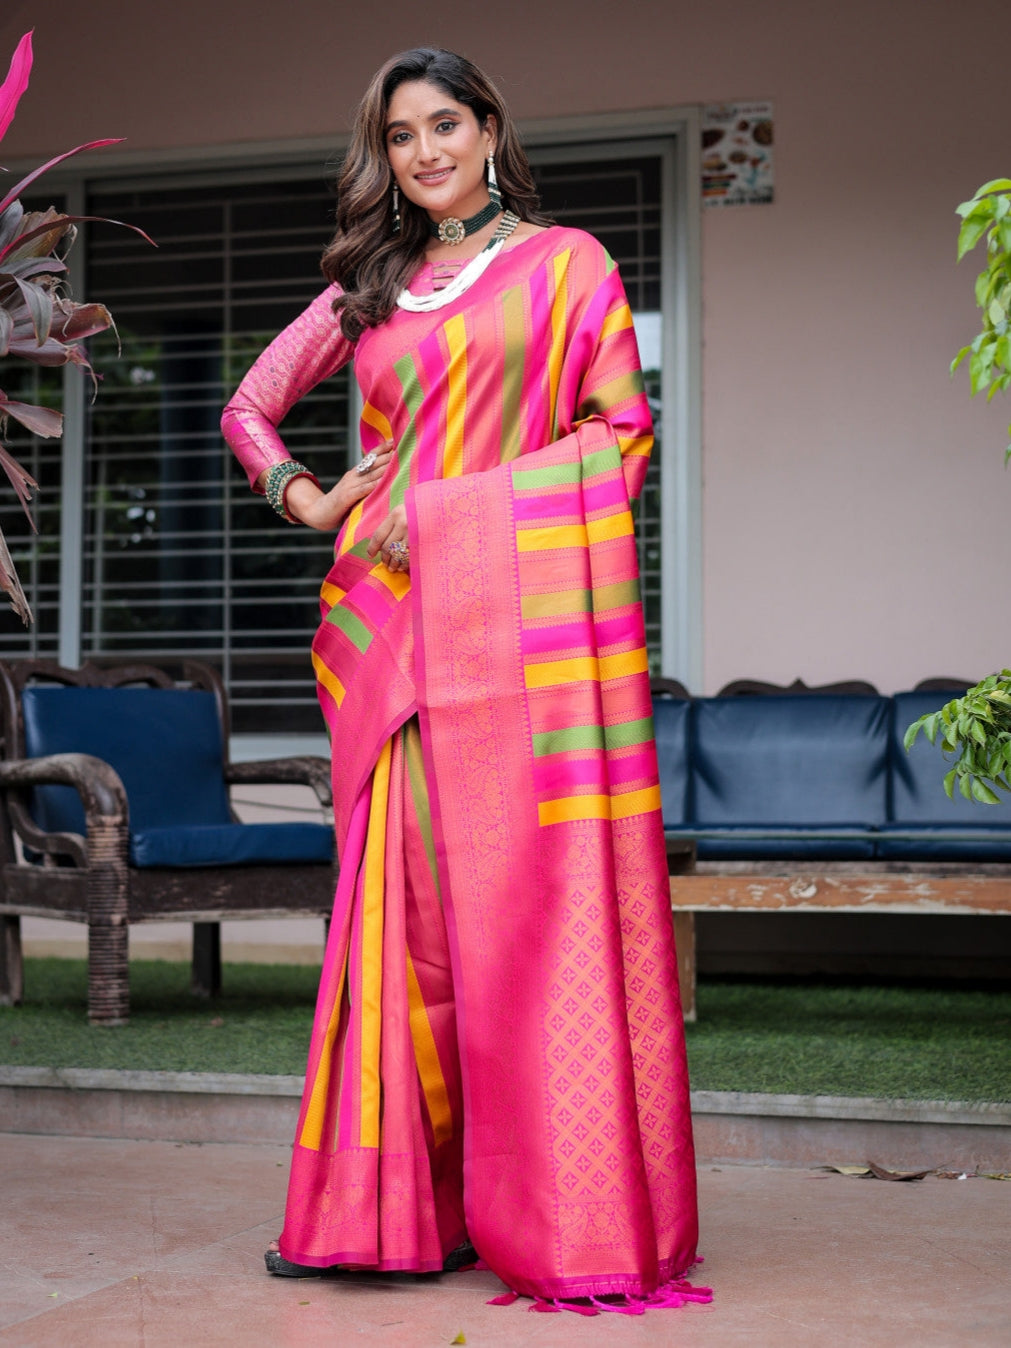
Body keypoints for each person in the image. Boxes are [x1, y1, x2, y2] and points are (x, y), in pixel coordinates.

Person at [221, 47, 707, 1314]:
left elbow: (619, 438)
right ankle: (396, 1212)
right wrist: (313, 497)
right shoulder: (367, 289)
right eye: (401, 135)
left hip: (520, 637)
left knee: (523, 916)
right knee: (409, 927)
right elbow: (248, 409)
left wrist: (437, 512)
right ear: (382, 155)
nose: (426, 151)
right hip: (393, 640)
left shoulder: (567, 266)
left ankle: (554, 1202)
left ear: (490, 129)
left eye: (446, 124)